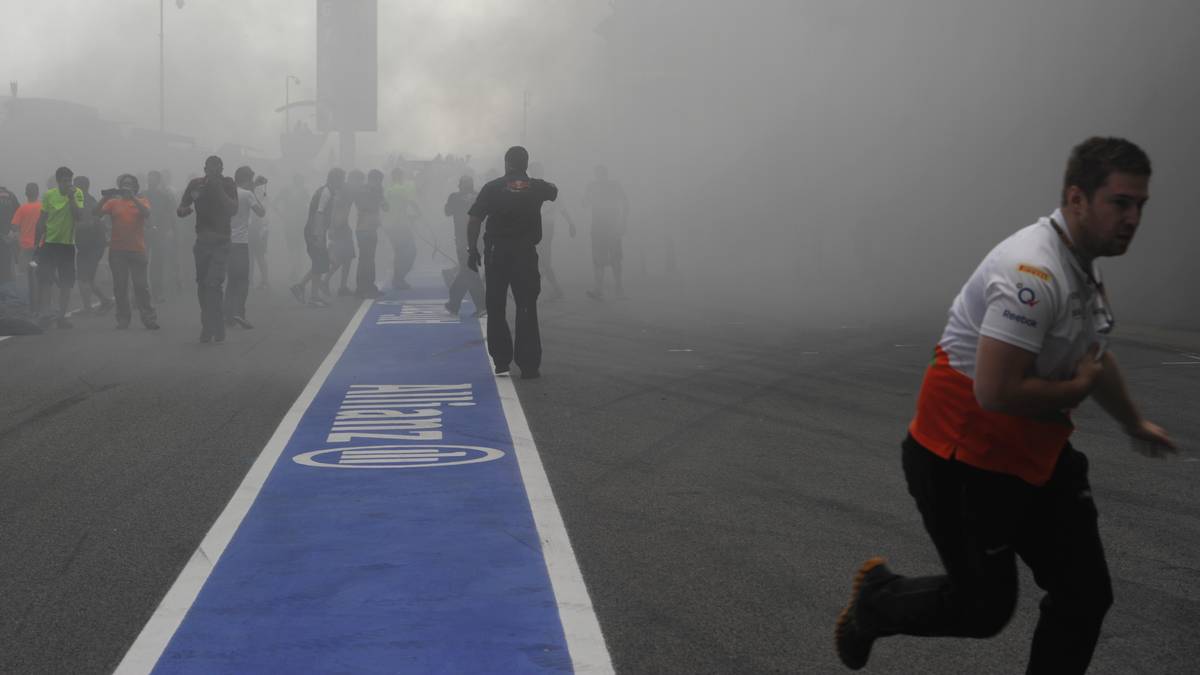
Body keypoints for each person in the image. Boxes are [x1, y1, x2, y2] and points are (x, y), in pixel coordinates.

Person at [834, 137, 1176, 675]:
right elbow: (995, 391)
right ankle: (876, 602)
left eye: (1140, 206)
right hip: (962, 461)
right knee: (983, 610)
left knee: (1085, 595)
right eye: (1121, 202)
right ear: (1077, 198)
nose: (1133, 217)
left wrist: (1134, 422)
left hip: (1033, 455)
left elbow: (1094, 359)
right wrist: (1077, 389)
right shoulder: (1032, 274)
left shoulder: (1082, 267)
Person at [465, 146, 557, 379]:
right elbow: (554, 191)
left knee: (496, 307)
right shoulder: (537, 187)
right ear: (526, 163)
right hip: (524, 253)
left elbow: (474, 219)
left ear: (507, 163)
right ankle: (529, 365)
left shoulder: (492, 187)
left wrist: (471, 249)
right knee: (526, 306)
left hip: (497, 254)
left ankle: (501, 361)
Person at [178, 155, 238, 343]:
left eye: (217, 168)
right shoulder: (196, 184)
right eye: (210, 168)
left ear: (221, 169)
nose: (213, 171)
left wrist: (217, 187)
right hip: (203, 241)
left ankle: (214, 327)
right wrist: (184, 210)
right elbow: (181, 208)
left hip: (221, 241)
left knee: (214, 283)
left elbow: (232, 209)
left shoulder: (228, 184)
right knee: (203, 284)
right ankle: (210, 325)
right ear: (204, 169)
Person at [97, 174, 159, 330]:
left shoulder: (141, 200)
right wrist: (105, 198)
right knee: (120, 286)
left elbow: (146, 213)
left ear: (135, 187)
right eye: (124, 184)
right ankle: (123, 319)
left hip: (137, 249)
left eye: (130, 184)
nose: (126, 186)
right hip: (118, 250)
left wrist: (133, 198)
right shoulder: (113, 202)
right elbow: (96, 213)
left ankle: (149, 318)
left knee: (141, 286)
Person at [33, 167, 84, 328]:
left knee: (65, 282)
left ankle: (61, 316)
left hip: (67, 244)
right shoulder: (49, 195)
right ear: (58, 181)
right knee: (46, 280)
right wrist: (36, 244)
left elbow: (78, 217)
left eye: (69, 180)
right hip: (49, 243)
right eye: (64, 181)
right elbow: (42, 220)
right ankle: (45, 314)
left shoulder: (77, 194)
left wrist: (71, 198)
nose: (67, 183)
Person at [291, 168, 344, 307]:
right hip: (314, 231)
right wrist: (319, 235)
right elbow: (319, 214)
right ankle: (312, 296)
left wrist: (328, 231)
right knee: (320, 262)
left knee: (319, 262)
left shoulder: (329, 192)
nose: (343, 182)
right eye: (342, 179)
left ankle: (302, 288)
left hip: (317, 231)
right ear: (335, 180)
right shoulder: (325, 192)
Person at [223, 166, 266, 329]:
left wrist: (253, 186)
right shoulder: (248, 194)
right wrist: (254, 191)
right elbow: (261, 212)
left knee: (231, 280)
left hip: (226, 241)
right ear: (247, 180)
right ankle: (239, 312)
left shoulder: (228, 192)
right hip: (240, 243)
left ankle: (227, 314)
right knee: (243, 280)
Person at [530, 162, 576, 302]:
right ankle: (554, 289)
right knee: (540, 260)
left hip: (545, 226)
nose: (537, 173)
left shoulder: (548, 187)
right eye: (535, 170)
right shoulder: (528, 187)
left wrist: (570, 223)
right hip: (534, 226)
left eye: (538, 170)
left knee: (543, 259)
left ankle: (544, 289)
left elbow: (561, 207)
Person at [582, 164, 630, 301]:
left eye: (601, 173)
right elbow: (584, 203)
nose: (600, 176)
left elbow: (625, 202)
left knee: (614, 258)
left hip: (610, 226)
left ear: (604, 174)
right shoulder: (593, 186)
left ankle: (617, 289)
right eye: (598, 173)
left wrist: (623, 222)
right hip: (600, 226)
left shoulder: (613, 186)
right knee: (600, 258)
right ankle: (600, 289)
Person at [72, 175, 115, 316]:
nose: (72, 188)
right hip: (87, 244)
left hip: (93, 244)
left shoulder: (87, 202)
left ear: (82, 187)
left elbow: (91, 223)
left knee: (84, 277)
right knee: (86, 277)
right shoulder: (85, 200)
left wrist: (73, 227)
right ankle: (104, 301)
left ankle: (89, 307)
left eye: (75, 185)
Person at [443, 175, 484, 316]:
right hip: (479, 241)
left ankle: (482, 306)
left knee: (470, 273)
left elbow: (447, 212)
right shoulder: (479, 196)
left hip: (463, 241)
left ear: (460, 185)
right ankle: (453, 303)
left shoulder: (455, 197)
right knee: (466, 272)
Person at [352, 169, 387, 298]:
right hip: (366, 229)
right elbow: (381, 206)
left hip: (366, 228)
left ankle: (365, 287)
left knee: (366, 259)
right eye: (379, 181)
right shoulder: (369, 191)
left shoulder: (364, 190)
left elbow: (384, 206)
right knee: (367, 259)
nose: (380, 183)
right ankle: (364, 288)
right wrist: (378, 195)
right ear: (375, 180)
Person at [145, 170, 179, 302]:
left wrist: (172, 231)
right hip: (144, 232)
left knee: (157, 265)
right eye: (149, 179)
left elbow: (171, 215)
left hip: (159, 233)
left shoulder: (165, 196)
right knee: (141, 264)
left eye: (152, 179)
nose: (150, 182)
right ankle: (139, 294)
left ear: (158, 181)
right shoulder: (142, 195)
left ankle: (157, 292)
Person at [384, 168, 419, 291]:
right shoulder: (402, 189)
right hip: (400, 226)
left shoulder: (387, 190)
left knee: (399, 253)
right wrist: (419, 213)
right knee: (411, 253)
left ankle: (397, 279)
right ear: (400, 177)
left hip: (390, 226)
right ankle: (399, 278)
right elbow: (411, 203)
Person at [273, 174, 310, 284]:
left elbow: (275, 204)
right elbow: (275, 204)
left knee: (295, 247)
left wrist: (282, 216)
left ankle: (296, 270)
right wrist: (282, 216)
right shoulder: (294, 191)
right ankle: (296, 269)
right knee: (296, 247)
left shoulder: (302, 191)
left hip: (297, 223)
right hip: (294, 223)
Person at [327, 170, 358, 296]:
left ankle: (342, 286)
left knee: (348, 258)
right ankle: (325, 281)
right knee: (340, 258)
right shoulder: (344, 190)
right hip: (340, 227)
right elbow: (336, 209)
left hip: (342, 226)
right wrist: (333, 228)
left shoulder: (346, 190)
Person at [11, 183, 42, 278]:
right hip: (39, 247)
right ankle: (38, 292)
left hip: (25, 248)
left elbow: (14, 226)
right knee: (38, 274)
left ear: (26, 193)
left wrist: (21, 231)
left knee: (24, 275)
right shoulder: (43, 208)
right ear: (38, 193)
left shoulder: (22, 209)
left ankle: (27, 292)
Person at [249, 179, 270, 289]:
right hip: (253, 228)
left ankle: (264, 281)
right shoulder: (258, 195)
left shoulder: (260, 197)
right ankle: (252, 280)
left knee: (258, 255)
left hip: (259, 229)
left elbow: (263, 215)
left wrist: (263, 229)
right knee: (252, 255)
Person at [0, 185, 19, 288]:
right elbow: (18, 212)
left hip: (3, 236)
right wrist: (13, 231)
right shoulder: (11, 195)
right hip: (8, 236)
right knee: (7, 263)